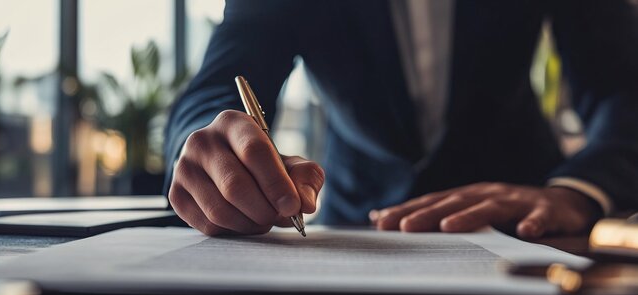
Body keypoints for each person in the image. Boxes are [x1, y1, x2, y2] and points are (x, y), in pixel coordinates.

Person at [165, 0, 638, 238]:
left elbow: (622, 87)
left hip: (525, 228)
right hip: (354, 233)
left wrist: (578, 190)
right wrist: (212, 150)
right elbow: (220, 85)